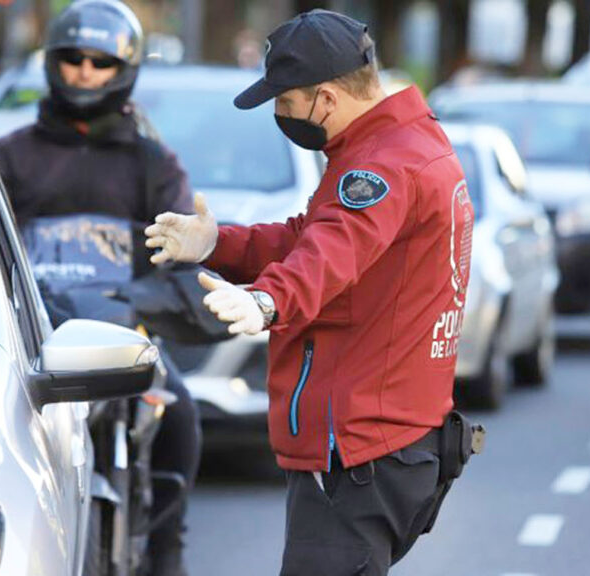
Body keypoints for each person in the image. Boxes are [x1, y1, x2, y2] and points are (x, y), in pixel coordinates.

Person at [146, 10, 474, 576]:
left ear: (324, 98)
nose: (278, 113)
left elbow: (332, 252)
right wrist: (215, 243)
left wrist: (266, 301)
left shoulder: (384, 165)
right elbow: (311, 235)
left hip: (361, 448)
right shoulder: (401, 144)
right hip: (390, 439)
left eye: (285, 101)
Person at [0, 2, 199, 574]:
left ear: (125, 69)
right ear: (54, 63)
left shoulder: (153, 163)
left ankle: (166, 552)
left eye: (101, 62)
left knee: (180, 413)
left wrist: (149, 301)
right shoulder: (10, 156)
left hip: (123, 334)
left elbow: (180, 253)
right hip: (34, 337)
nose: (85, 71)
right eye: (73, 58)